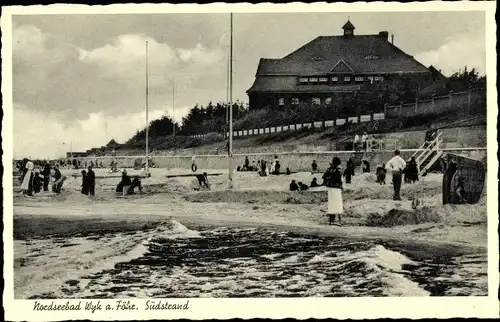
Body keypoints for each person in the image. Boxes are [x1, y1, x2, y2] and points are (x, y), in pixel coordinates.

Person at [323, 157, 343, 225]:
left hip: (330, 188)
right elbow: (339, 180)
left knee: (331, 204)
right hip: (337, 188)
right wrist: (341, 186)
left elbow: (324, 176)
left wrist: (327, 182)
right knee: (338, 204)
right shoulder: (338, 170)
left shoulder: (329, 169)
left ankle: (331, 220)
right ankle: (339, 220)